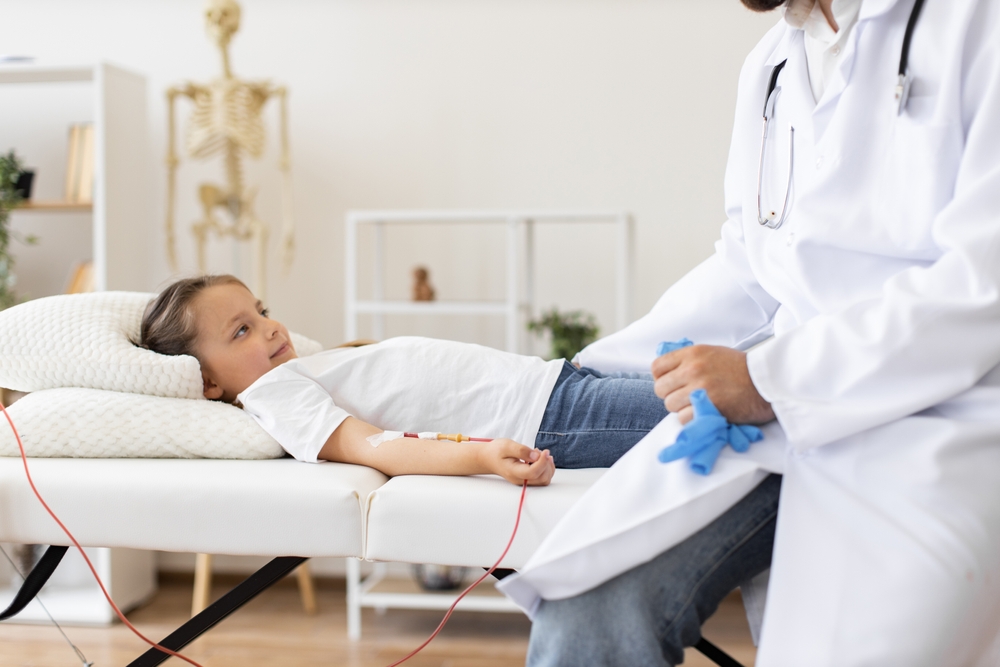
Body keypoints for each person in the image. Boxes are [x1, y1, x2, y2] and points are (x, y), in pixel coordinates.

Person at [526, 0, 1000, 665]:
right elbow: (749, 268)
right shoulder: (774, 66)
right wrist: (591, 372)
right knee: (590, 607)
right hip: (780, 419)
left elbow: (983, 285)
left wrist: (772, 379)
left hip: (940, 421)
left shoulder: (976, 22)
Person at [137, 274, 667, 485]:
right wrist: (481, 456)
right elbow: (376, 446)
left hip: (558, 387)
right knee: (726, 405)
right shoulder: (272, 396)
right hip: (551, 419)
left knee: (720, 384)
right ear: (206, 381)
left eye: (262, 311)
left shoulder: (305, 368)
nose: (272, 326)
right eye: (241, 331)